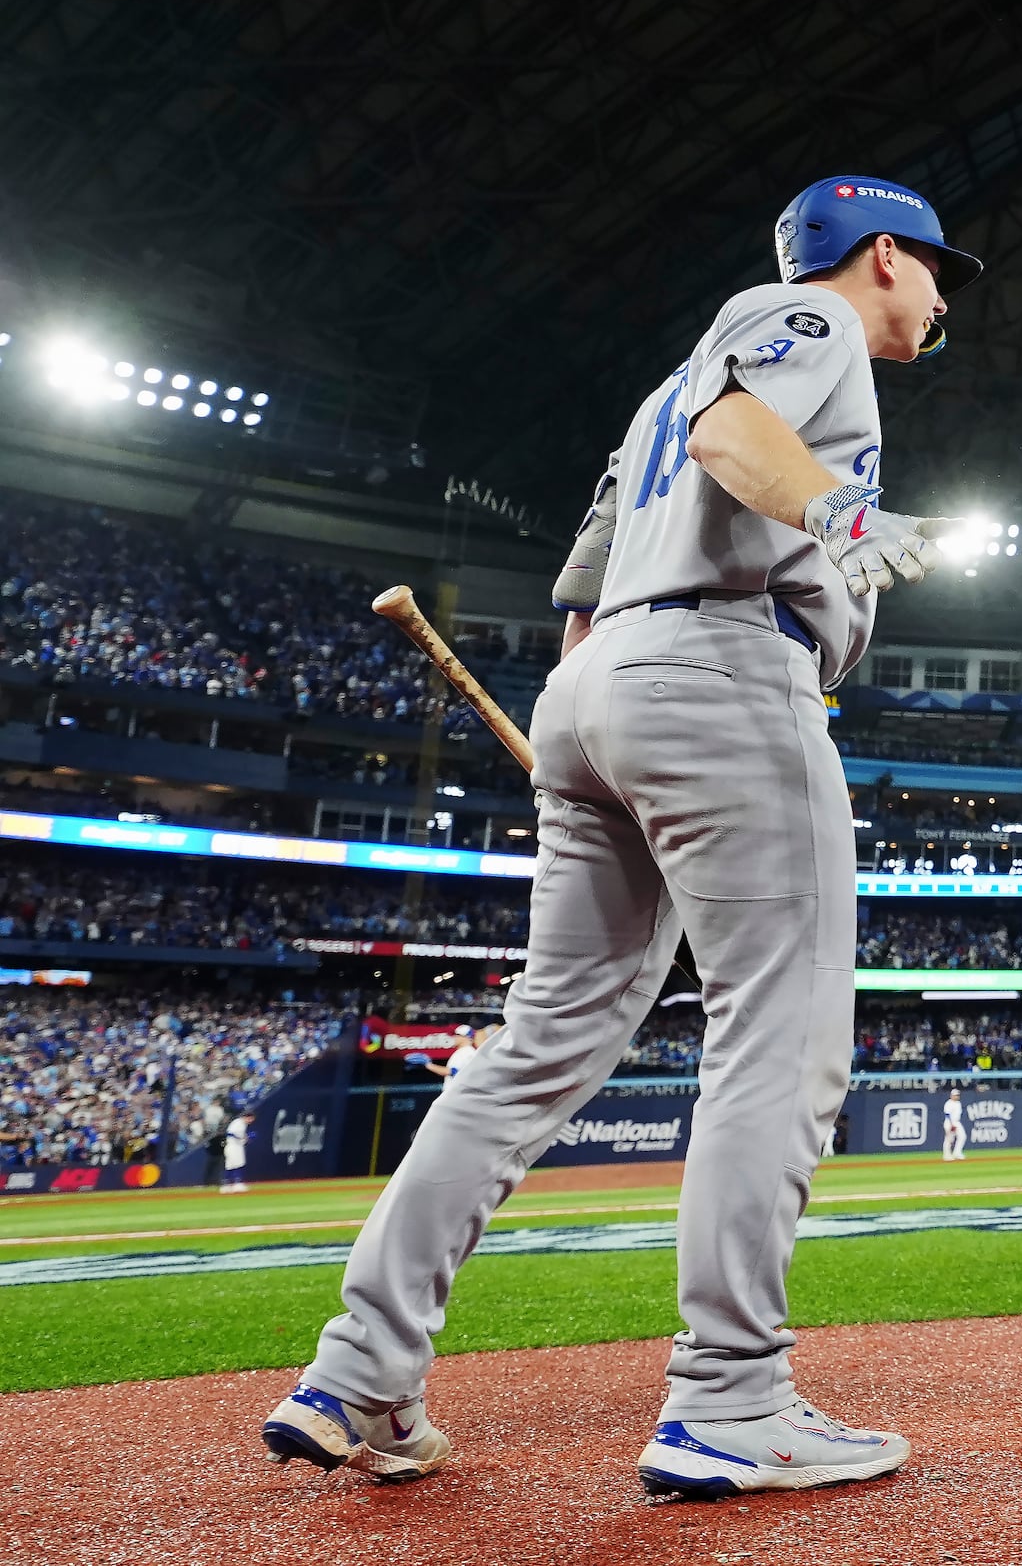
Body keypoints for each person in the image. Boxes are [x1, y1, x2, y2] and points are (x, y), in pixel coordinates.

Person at [261, 172, 977, 1498]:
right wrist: (846, 514)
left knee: (531, 1054)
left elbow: (589, 589)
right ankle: (730, 1396)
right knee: (783, 1026)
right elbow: (733, 444)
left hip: (606, 687)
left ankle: (358, 1365)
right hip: (727, 671)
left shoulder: (663, 385)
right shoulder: (803, 321)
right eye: (937, 268)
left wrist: (606, 745)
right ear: (883, 254)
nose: (941, 295)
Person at [420, 1021, 500, 1085]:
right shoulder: (462, 1051)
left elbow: (454, 1072)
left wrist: (429, 1065)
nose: (454, 1037)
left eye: (458, 1035)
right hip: (454, 1094)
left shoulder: (468, 1052)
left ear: (467, 1037)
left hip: (458, 1096)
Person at [221, 1110, 252, 1194]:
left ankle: (226, 1186)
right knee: (238, 1164)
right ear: (247, 1117)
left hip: (232, 1146)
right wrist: (244, 1138)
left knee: (230, 1166)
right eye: (250, 1119)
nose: (250, 1121)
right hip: (234, 1146)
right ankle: (238, 1185)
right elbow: (231, 1133)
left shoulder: (238, 1123)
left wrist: (244, 1137)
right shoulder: (239, 1123)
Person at [942, 1086, 967, 1162]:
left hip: (956, 1122)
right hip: (949, 1122)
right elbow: (947, 1114)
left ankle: (957, 1152)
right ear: (951, 1095)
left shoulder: (958, 1103)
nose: (957, 1096)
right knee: (949, 1139)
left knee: (962, 1136)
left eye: (958, 1095)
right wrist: (952, 1125)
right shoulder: (948, 1103)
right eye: (955, 1095)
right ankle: (946, 1155)